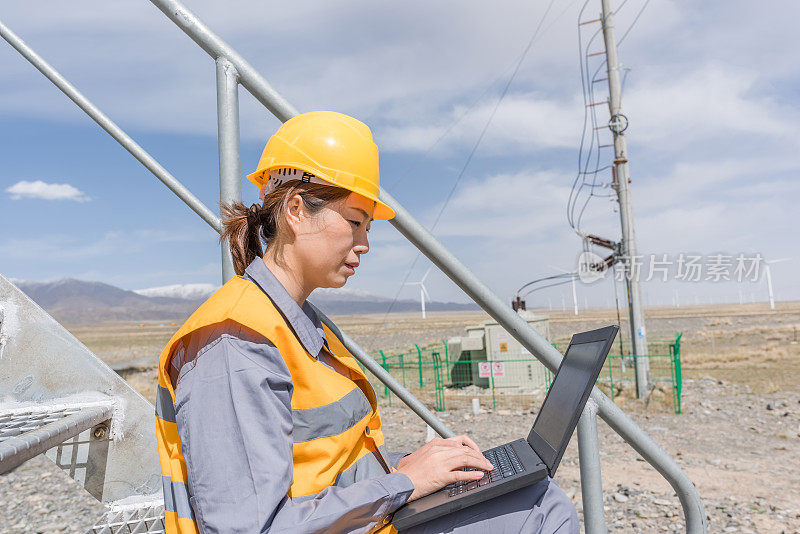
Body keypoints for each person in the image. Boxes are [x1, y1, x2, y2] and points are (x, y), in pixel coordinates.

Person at [155, 111, 579, 533]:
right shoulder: (235, 343)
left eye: (368, 227)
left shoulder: (294, 320)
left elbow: (326, 466)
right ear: (296, 211)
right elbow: (251, 528)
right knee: (541, 509)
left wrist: (407, 469)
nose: (365, 243)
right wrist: (406, 483)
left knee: (534, 492)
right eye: (356, 222)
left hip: (362, 518)